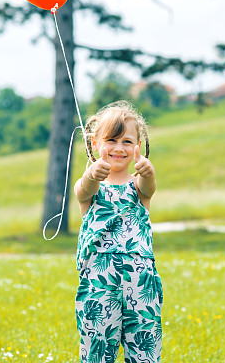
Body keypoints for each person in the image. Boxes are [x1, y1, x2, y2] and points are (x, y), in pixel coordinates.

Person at [74, 100, 163, 363]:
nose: (118, 148)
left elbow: (149, 187)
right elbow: (83, 189)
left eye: (127, 141)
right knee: (97, 348)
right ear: (95, 144)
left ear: (137, 146)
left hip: (140, 278)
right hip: (98, 279)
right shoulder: (90, 184)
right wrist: (92, 174)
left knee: (145, 348)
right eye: (111, 140)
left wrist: (148, 171)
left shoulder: (138, 186)